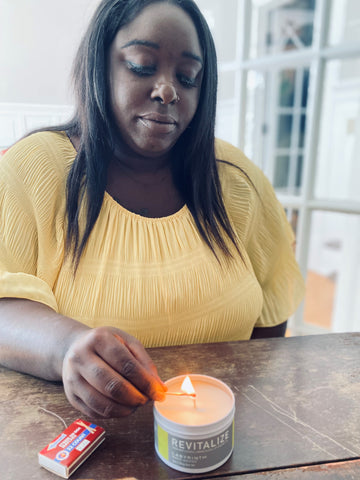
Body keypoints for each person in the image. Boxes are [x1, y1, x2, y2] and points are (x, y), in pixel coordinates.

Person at [0, 0, 305, 418]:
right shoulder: (33, 169)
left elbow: (273, 310)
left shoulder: (238, 181)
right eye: (142, 65)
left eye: (188, 76)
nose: (167, 90)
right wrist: (64, 346)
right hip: (79, 441)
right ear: (100, 66)